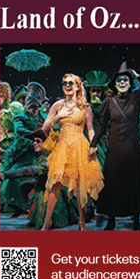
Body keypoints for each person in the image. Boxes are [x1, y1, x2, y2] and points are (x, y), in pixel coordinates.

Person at [89, 63, 140, 230]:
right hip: (115, 148)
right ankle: (111, 220)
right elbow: (102, 126)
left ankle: (136, 220)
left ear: (130, 83)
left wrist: (138, 75)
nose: (122, 82)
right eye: (119, 80)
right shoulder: (108, 102)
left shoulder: (137, 98)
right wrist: (93, 144)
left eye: (125, 80)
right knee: (113, 183)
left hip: (133, 148)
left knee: (134, 183)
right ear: (115, 84)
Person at [39, 73, 103, 231]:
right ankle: (47, 222)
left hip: (79, 147)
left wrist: (93, 145)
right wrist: (58, 117)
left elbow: (90, 129)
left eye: (71, 83)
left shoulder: (84, 106)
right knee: (55, 184)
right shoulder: (57, 105)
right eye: (65, 83)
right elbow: (45, 127)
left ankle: (82, 222)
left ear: (77, 87)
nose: (67, 86)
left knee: (80, 186)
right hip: (62, 148)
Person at [0, 82, 46, 216]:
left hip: (36, 150)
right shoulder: (21, 116)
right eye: (35, 106)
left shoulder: (39, 115)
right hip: (23, 150)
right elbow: (19, 129)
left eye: (39, 106)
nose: (37, 109)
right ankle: (12, 203)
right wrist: (33, 134)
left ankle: (27, 203)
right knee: (16, 172)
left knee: (33, 174)